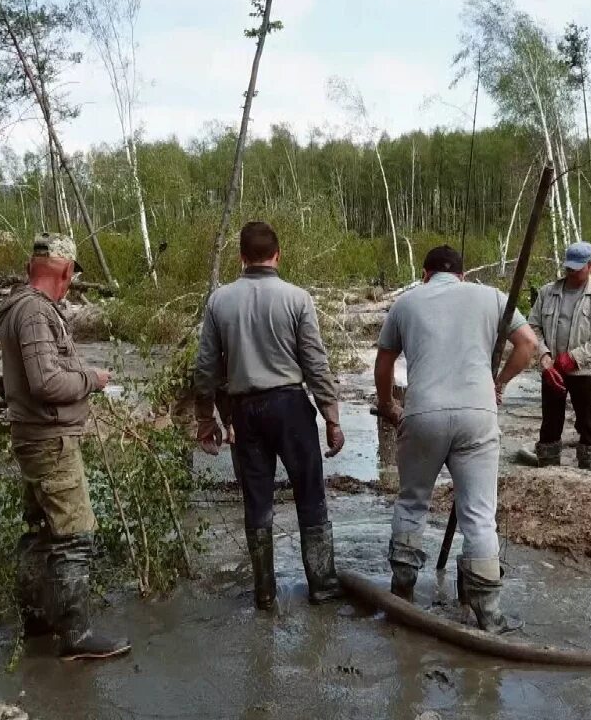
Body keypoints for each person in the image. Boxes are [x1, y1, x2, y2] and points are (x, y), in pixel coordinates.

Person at [374, 245, 540, 633]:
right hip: (477, 415)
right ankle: (489, 614)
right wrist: (498, 384)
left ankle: (402, 593)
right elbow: (527, 344)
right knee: (480, 517)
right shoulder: (491, 297)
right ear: (463, 275)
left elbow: (384, 363)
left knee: (412, 502)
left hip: (423, 413)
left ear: (425, 273)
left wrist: (388, 406)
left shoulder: (407, 302)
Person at [0, 236, 130, 661]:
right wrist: (92, 379)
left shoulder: (22, 306)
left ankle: (37, 623)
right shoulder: (34, 312)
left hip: (36, 438)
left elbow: (26, 378)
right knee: (74, 534)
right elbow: (46, 383)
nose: (71, 284)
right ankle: (76, 634)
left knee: (41, 533)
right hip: (50, 443)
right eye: (72, 276)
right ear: (65, 272)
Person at [194, 221, 346, 611]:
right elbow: (315, 361)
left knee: (257, 501)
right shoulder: (297, 298)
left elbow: (206, 367)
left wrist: (205, 419)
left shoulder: (220, 301)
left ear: (242, 258)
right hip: (291, 407)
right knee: (310, 494)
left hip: (246, 411)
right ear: (278, 256)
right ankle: (322, 587)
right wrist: (331, 416)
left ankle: (265, 593)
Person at [529, 241, 591, 470]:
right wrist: (545, 357)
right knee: (550, 423)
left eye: (578, 268)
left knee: (588, 424)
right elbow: (533, 328)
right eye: (569, 267)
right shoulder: (548, 292)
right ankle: (547, 469)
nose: (571, 272)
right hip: (552, 370)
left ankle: (588, 471)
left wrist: (574, 357)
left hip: (584, 370)